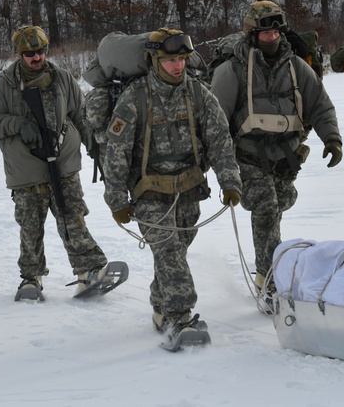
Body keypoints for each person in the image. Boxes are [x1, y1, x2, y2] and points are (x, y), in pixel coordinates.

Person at [102, 28, 242, 342]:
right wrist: (116, 199)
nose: (178, 66)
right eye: (170, 60)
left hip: (189, 189)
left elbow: (220, 140)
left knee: (176, 251)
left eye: (182, 59)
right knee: (169, 254)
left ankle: (159, 306)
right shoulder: (135, 96)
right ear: (154, 60)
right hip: (148, 193)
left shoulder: (198, 93)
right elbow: (117, 151)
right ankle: (181, 319)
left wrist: (230, 181)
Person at [209, 0, 342, 299]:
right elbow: (214, 119)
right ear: (252, 34)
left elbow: (321, 105)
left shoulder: (296, 67)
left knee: (280, 204)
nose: (272, 38)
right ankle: (268, 280)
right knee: (266, 208)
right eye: (265, 34)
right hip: (247, 156)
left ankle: (268, 270)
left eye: (276, 33)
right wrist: (219, 163)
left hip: (286, 157)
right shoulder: (232, 71)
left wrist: (332, 139)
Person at [0, 25, 114, 302]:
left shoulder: (62, 78)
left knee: (72, 218)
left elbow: (82, 116)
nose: (36, 58)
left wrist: (95, 149)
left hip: (63, 165)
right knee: (30, 227)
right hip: (27, 171)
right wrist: (17, 124)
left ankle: (89, 271)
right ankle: (31, 279)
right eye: (29, 54)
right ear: (19, 54)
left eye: (39, 51)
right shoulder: (6, 85)